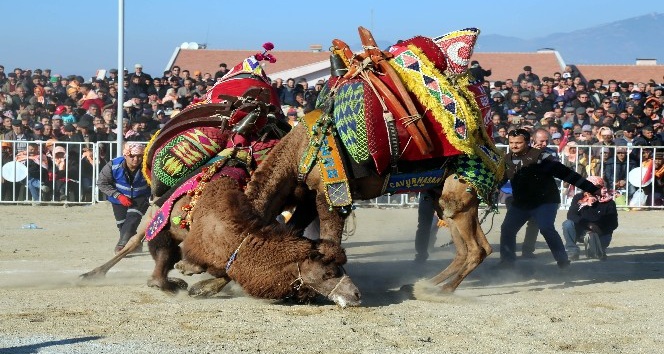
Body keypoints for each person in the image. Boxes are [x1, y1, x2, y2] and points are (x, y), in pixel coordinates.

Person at [498, 128, 600, 269]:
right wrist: (488, 191)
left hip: (545, 201)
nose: (514, 146)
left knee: (546, 227)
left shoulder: (541, 157)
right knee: (507, 228)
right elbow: (499, 180)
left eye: (518, 143)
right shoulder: (507, 159)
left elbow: (565, 173)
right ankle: (507, 262)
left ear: (528, 142)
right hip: (522, 202)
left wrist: (592, 188)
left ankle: (562, 260)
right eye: (511, 142)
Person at [97, 142, 150, 253]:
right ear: (125, 155)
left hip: (140, 197)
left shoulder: (148, 167)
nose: (136, 159)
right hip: (118, 198)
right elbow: (102, 183)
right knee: (122, 225)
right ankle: (136, 245)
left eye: (139, 156)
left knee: (132, 219)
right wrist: (118, 196)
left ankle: (121, 246)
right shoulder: (113, 166)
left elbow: (155, 183)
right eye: (132, 156)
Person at [562, 176, 618, 261]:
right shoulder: (579, 198)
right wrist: (588, 225)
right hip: (581, 230)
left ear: (601, 187)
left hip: (600, 232)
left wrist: (599, 229)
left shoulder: (609, 202)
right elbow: (571, 215)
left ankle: (599, 249)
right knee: (567, 224)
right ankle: (572, 251)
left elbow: (613, 223)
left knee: (596, 255)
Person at [414, 190, 439, 263]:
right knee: (424, 225)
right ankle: (421, 254)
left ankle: (463, 251)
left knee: (456, 223)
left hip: (447, 191)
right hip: (428, 193)